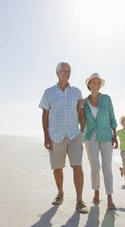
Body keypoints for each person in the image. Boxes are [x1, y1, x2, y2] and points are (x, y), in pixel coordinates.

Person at [38, 62, 88, 214]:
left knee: (77, 166)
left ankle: (79, 200)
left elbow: (81, 114)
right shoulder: (48, 92)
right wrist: (46, 137)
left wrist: (82, 131)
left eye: (69, 71)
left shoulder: (77, 92)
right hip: (56, 135)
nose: (66, 73)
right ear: (57, 73)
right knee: (57, 167)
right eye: (63, 71)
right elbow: (44, 116)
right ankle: (60, 193)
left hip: (74, 135)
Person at [82, 73, 118, 210]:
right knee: (95, 167)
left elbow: (112, 117)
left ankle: (109, 196)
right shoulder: (84, 102)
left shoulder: (107, 99)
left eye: (98, 83)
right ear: (89, 85)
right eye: (93, 82)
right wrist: (79, 107)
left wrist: (115, 136)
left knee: (107, 167)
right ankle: (96, 191)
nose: (96, 85)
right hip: (90, 136)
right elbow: (81, 120)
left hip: (106, 136)